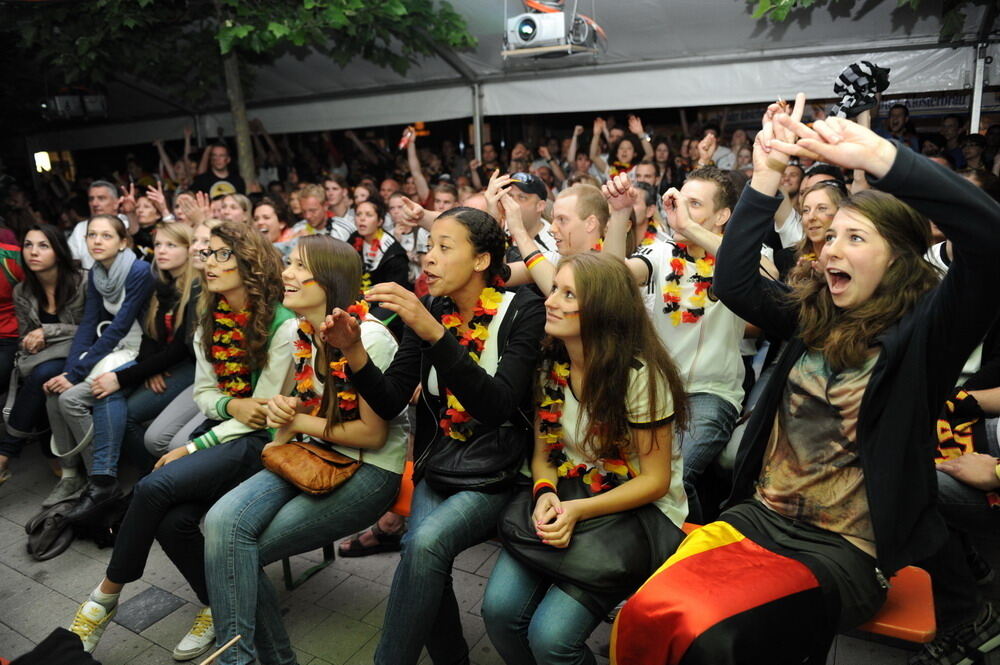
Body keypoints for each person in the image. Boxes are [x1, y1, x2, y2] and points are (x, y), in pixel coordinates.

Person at [612, 95, 1000, 665]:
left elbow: (991, 243)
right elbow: (738, 282)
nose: (831, 246)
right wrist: (766, 170)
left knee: (713, 642)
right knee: (645, 615)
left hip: (845, 551)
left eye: (856, 238)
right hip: (759, 517)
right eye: (832, 235)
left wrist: (884, 157)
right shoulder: (813, 316)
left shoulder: (925, 339)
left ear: (899, 259)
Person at [68, 220, 297, 660]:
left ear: (251, 263)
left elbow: (265, 415)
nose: (209, 263)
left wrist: (192, 447)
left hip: (264, 444)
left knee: (155, 484)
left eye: (221, 254)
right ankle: (216, 605)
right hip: (226, 432)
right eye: (207, 253)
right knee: (174, 524)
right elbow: (208, 396)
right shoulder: (209, 322)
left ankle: (101, 602)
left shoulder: (282, 326)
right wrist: (230, 406)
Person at [332, 206, 545, 664]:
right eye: (429, 247)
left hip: (500, 471)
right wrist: (352, 350)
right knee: (419, 550)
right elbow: (390, 401)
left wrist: (435, 335)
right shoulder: (431, 308)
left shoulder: (523, 310)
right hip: (443, 462)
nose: (428, 259)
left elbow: (496, 407)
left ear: (482, 260)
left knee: (423, 543)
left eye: (444, 248)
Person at [203, 235, 408, 665]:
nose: (286, 274)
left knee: (241, 553)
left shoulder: (369, 338)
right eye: (288, 264)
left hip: (370, 470)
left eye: (297, 266)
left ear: (329, 281)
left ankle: (248, 660)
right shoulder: (303, 330)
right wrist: (286, 409)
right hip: (311, 455)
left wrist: (295, 420)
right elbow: (310, 408)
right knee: (219, 521)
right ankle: (246, 658)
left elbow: (372, 435)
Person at [482, 252, 689, 665]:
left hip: (634, 508)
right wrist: (544, 493)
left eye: (567, 293)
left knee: (551, 638)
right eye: (554, 288)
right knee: (499, 611)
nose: (550, 300)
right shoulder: (550, 364)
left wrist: (577, 510)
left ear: (602, 310)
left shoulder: (640, 376)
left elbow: (655, 481)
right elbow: (544, 455)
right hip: (569, 490)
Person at [603, 167, 761, 523]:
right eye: (680, 201)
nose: (682, 211)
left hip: (711, 394)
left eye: (695, 204)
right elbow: (610, 276)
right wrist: (617, 213)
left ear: (723, 216)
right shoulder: (660, 254)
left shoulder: (736, 258)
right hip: (657, 390)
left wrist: (690, 227)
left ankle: (697, 557)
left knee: (677, 474)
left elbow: (766, 276)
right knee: (634, 475)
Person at [67, 223, 200, 517]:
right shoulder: (159, 284)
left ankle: (153, 479)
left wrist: (125, 376)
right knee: (107, 393)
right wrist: (143, 369)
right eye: (159, 245)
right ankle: (106, 479)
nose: (162, 251)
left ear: (189, 250)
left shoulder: (195, 287)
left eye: (171, 245)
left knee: (120, 402)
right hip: (160, 365)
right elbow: (151, 336)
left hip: (188, 368)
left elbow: (180, 348)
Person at [43, 214, 155, 507]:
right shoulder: (97, 273)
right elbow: (89, 322)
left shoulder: (138, 270)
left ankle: (101, 480)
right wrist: (70, 371)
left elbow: (120, 325)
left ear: (123, 242)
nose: (97, 241)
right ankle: (71, 475)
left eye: (106, 236)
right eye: (92, 235)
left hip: (138, 349)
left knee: (72, 398)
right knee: (54, 395)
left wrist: (77, 373)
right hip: (113, 346)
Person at [0, 225, 84, 484]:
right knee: (39, 375)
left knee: (42, 374)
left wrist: (48, 332)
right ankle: (46, 454)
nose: (33, 252)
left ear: (58, 252)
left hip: (82, 352)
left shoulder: (82, 282)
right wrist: (31, 343)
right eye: (28, 245)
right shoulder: (23, 291)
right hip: (46, 357)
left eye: (43, 246)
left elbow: (89, 330)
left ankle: (4, 455)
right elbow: (26, 335)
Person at [348, 198, 408, 291]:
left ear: (380, 221)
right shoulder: (354, 238)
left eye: (369, 215)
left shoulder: (394, 254)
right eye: (358, 214)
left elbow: (395, 291)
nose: (362, 219)